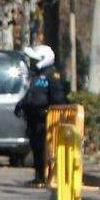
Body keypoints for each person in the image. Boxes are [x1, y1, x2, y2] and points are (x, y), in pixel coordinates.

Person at [21, 44, 70, 186]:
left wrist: (53, 112)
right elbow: (32, 94)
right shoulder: (36, 75)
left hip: (46, 119)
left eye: (36, 60)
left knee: (44, 148)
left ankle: (45, 176)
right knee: (36, 148)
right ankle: (38, 177)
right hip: (33, 119)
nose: (33, 63)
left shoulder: (52, 75)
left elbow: (58, 98)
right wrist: (22, 105)